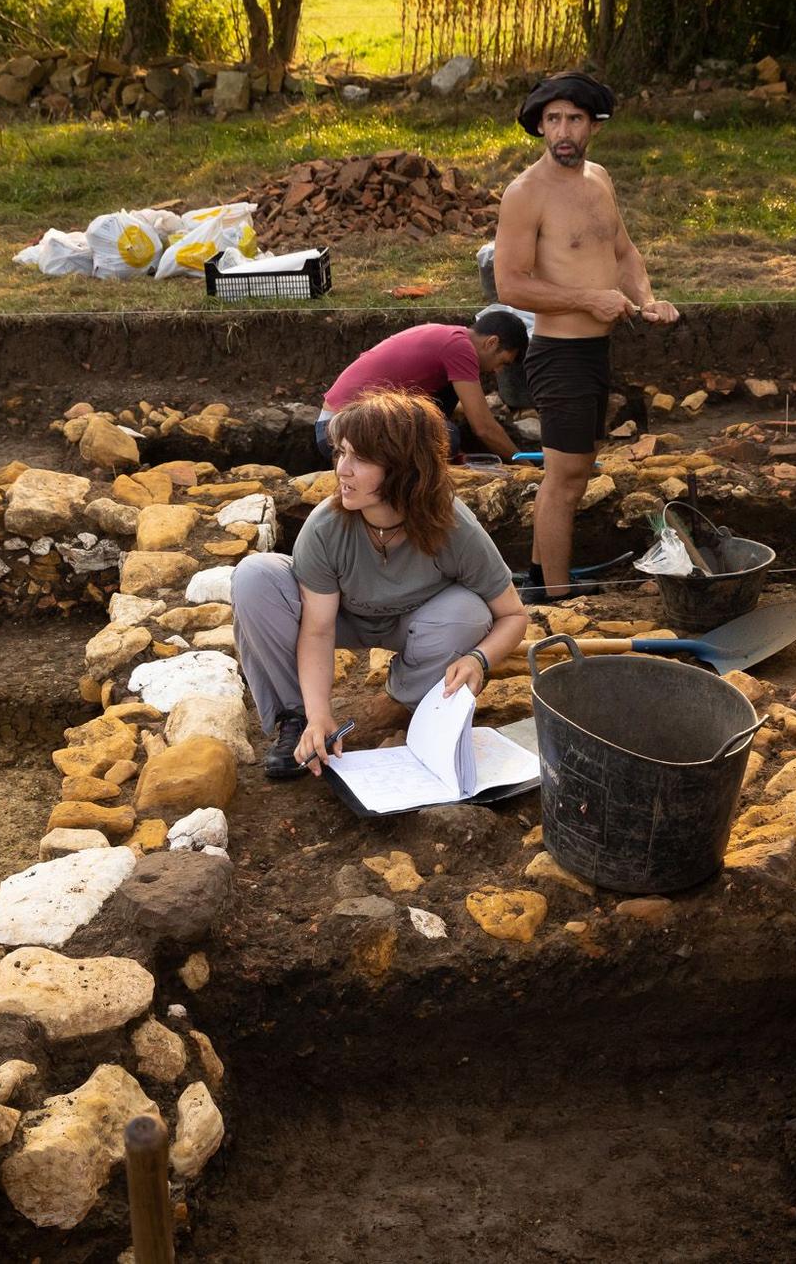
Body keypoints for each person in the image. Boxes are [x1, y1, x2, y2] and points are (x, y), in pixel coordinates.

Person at [233, 389, 529, 780]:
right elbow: (318, 629)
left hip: (416, 624)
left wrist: (480, 658)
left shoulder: (454, 526)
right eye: (340, 452)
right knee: (256, 576)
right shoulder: (326, 526)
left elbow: (512, 615)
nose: (342, 469)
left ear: (405, 467)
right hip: (343, 617)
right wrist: (320, 712)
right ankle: (300, 720)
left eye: (361, 458)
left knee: (469, 611)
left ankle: (406, 706)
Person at [493, 71, 680, 599]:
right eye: (552, 120)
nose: (563, 131)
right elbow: (511, 284)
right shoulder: (525, 193)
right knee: (567, 476)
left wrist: (646, 300)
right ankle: (553, 594)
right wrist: (588, 300)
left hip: (597, 349)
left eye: (573, 118)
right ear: (539, 126)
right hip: (560, 353)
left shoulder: (599, 178)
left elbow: (623, 253)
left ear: (593, 124)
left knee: (574, 471)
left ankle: (538, 577)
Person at [317, 314, 527, 461]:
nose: (498, 371)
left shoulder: (450, 336)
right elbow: (483, 427)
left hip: (341, 424)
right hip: (338, 432)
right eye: (503, 362)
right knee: (444, 438)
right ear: (491, 342)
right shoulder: (460, 348)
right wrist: (524, 464)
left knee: (440, 418)